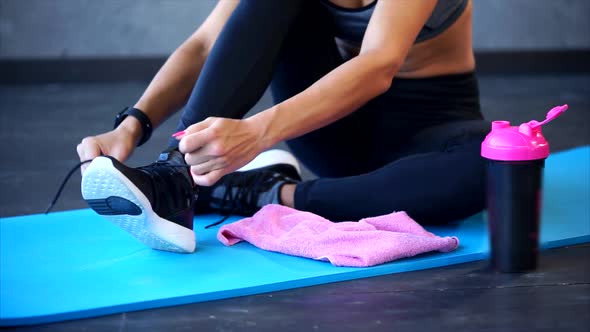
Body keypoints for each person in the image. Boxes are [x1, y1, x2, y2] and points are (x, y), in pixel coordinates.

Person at [76, 0, 489, 253]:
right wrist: (133, 125)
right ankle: (176, 174)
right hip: (334, 129)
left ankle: (263, 192)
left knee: (494, 162)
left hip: (429, 128)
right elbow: (206, 44)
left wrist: (256, 133)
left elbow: (378, 64)